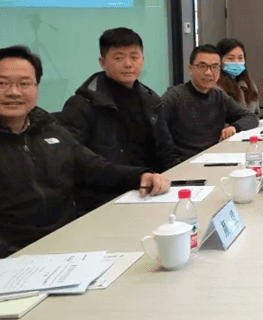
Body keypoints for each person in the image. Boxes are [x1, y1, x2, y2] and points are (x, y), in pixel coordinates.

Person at [0, 46, 169, 272]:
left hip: (66, 248)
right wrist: (5, 253)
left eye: (25, 83)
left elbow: (95, 168)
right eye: (1, 83)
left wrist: (141, 176)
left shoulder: (50, 130)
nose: (14, 92)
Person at [58, 27, 180, 213]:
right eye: (119, 58)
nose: (128, 64)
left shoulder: (151, 101)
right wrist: (137, 178)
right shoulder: (82, 104)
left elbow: (167, 153)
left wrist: (180, 183)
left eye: (134, 57)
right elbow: (79, 163)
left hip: (151, 191)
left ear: (142, 60)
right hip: (104, 199)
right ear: (102, 62)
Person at [162, 44, 260, 160]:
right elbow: (154, 132)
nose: (209, 72)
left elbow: (252, 118)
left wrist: (234, 127)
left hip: (214, 158)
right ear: (190, 69)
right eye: (202, 66)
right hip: (185, 162)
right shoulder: (174, 97)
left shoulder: (219, 96)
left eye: (214, 67)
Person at [216, 38, 261, 116]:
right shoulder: (216, 88)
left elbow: (256, 113)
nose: (236, 62)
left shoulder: (248, 84)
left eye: (240, 58)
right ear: (220, 60)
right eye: (231, 58)